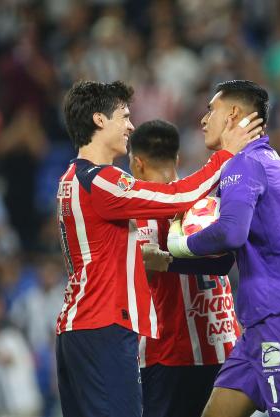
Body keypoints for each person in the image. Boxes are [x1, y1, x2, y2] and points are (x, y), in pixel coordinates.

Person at [55, 80, 262, 417]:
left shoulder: (69, 179)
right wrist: (226, 155)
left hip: (77, 328)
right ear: (99, 120)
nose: (130, 125)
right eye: (123, 116)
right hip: (105, 326)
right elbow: (174, 196)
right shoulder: (101, 179)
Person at [167, 80, 280, 417]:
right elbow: (226, 257)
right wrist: (167, 261)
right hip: (262, 322)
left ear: (232, 114)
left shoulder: (246, 164)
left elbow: (230, 234)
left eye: (210, 110)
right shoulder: (257, 161)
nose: (203, 120)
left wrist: (179, 245)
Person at [127, 119, 241, 417]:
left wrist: (160, 261)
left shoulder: (134, 215)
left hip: (165, 356)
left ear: (136, 163)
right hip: (223, 346)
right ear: (176, 158)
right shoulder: (205, 202)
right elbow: (226, 260)